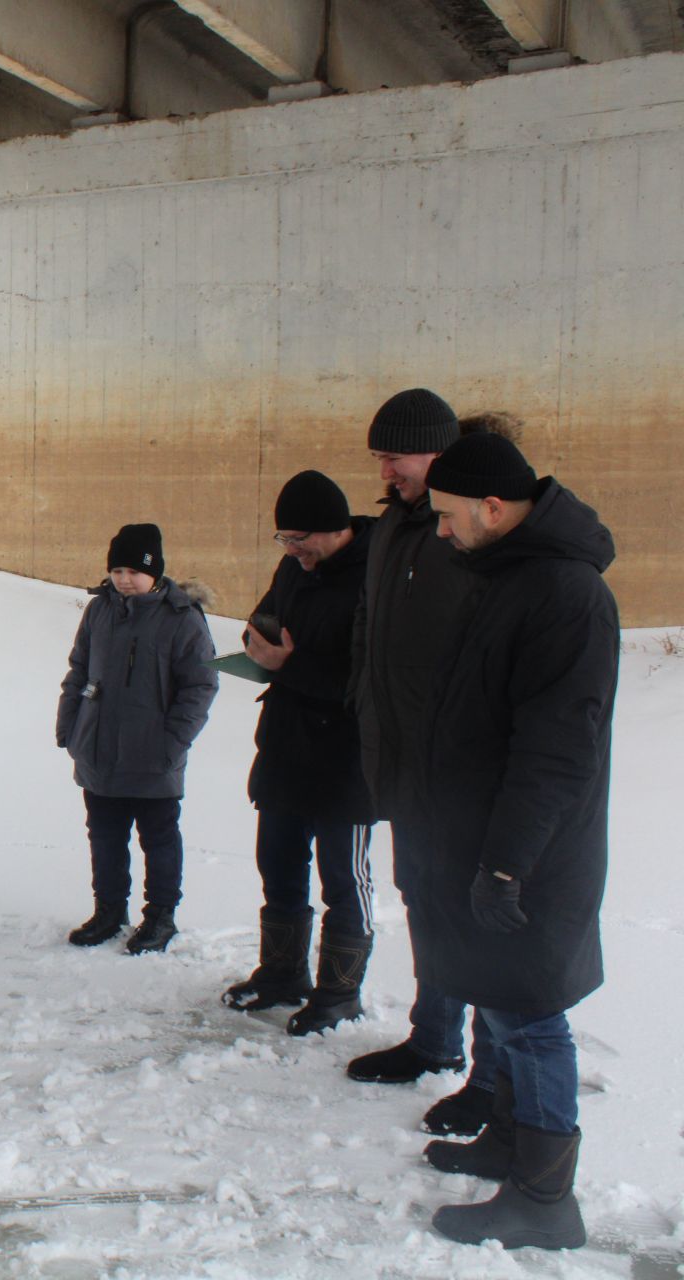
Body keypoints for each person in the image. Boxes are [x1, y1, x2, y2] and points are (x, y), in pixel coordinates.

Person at [406, 433, 616, 1251]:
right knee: (500, 1001)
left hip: (531, 855)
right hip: (486, 837)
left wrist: (505, 864)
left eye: (452, 517)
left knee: (531, 1017)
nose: (443, 532)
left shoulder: (566, 596)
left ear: (494, 507)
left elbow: (556, 749)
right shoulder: (509, 575)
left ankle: (545, 1195)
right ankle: (508, 1136)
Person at [345, 388, 497, 1136]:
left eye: (393, 454)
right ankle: (434, 1040)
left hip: (461, 768)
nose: (383, 467)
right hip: (403, 760)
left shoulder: (469, 526)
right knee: (428, 903)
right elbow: (372, 633)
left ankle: (490, 1074)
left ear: (433, 453)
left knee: (477, 918)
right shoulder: (396, 527)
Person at [222, 471, 377, 1033]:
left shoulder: (376, 573)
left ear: (336, 530)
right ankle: (282, 973)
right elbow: (266, 622)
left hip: (347, 757)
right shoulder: (294, 566)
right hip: (287, 744)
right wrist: (258, 644)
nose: (293, 552)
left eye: (301, 539)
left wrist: (292, 664)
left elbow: (373, 673)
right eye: (284, 540)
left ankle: (340, 993)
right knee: (280, 866)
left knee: (344, 878)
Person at [55, 523, 219, 954]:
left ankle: (161, 917)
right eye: (117, 569)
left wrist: (171, 744)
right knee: (105, 836)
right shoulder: (100, 610)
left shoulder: (182, 618)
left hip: (153, 757)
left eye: (134, 570)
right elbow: (78, 669)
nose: (124, 579)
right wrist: (70, 727)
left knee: (159, 840)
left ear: (155, 571)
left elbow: (200, 686)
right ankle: (109, 911)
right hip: (99, 750)